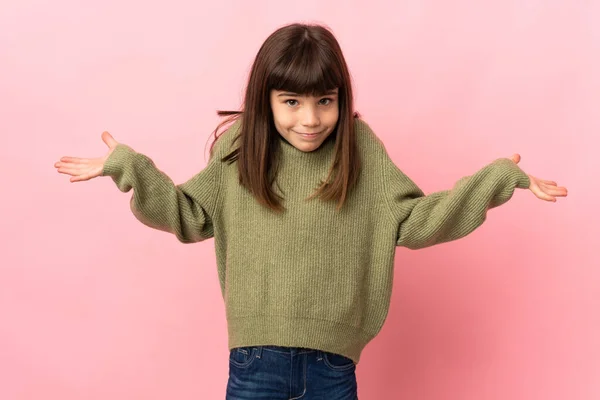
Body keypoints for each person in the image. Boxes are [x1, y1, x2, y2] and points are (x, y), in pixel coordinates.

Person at [53, 22, 568, 400]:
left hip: (333, 366)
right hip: (254, 363)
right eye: (292, 102)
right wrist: (130, 168)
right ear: (266, 100)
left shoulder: (359, 147)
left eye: (325, 100)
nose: (311, 118)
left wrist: (495, 180)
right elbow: (188, 214)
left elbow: (413, 220)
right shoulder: (240, 151)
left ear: (342, 98)